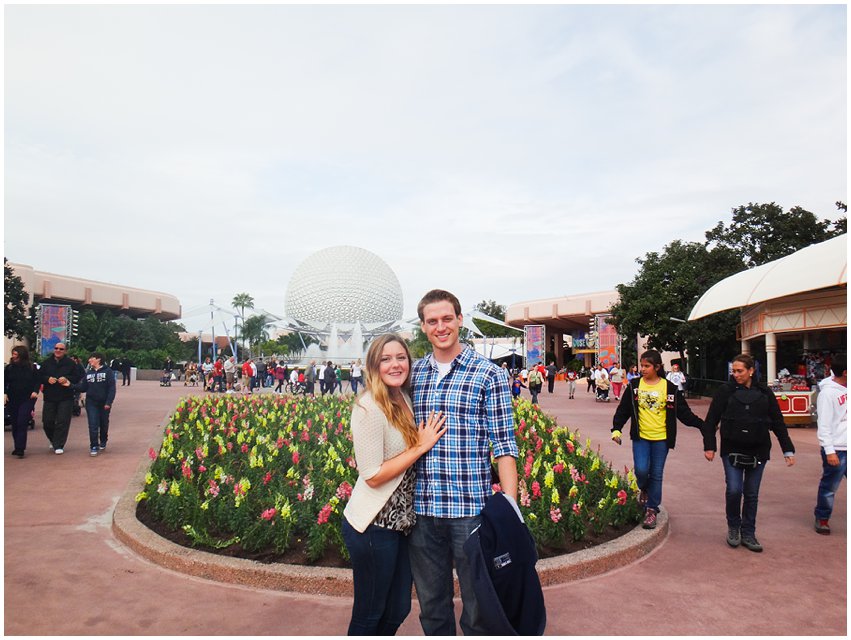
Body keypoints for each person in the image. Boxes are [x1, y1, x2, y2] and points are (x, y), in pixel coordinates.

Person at [409, 289, 519, 635]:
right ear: (423, 327)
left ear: (459, 320)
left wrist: (511, 510)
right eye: (432, 321)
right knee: (431, 605)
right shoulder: (413, 376)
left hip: (469, 509)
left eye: (447, 319)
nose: (440, 327)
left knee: (477, 604)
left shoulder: (489, 375)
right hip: (423, 509)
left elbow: (504, 445)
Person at [342, 334, 447, 635]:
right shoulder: (369, 407)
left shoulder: (403, 396)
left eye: (400, 357)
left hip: (401, 524)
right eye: (385, 359)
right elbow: (371, 474)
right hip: (374, 525)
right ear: (374, 366)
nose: (395, 364)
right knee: (370, 612)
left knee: (399, 607)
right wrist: (420, 447)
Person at [701, 353, 795, 552]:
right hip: (731, 448)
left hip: (758, 449)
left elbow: (778, 421)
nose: (736, 374)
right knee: (734, 490)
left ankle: (749, 532)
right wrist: (709, 446)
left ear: (751, 371)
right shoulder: (725, 391)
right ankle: (733, 527)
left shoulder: (765, 392)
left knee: (751, 493)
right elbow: (710, 421)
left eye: (740, 371)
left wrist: (787, 449)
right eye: (733, 371)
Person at [611, 350, 704, 529]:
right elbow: (624, 410)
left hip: (662, 439)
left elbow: (684, 414)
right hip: (641, 438)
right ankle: (644, 488)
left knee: (657, 474)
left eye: (647, 366)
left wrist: (702, 425)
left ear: (657, 367)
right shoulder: (634, 386)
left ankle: (651, 509)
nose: (643, 369)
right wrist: (616, 429)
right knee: (641, 470)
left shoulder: (669, 388)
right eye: (642, 365)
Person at [813, 354, 846, 535]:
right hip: (838, 448)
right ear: (845, 372)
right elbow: (824, 424)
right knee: (830, 486)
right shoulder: (828, 393)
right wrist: (829, 450)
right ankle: (822, 517)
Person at [39, 342, 82, 454]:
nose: (58, 350)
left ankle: (59, 444)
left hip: (65, 396)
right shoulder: (46, 363)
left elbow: (77, 377)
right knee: (47, 421)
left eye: (61, 349)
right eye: (56, 348)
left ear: (65, 351)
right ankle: (53, 439)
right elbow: (38, 377)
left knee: (63, 421)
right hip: (49, 396)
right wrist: (47, 379)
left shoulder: (71, 364)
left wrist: (67, 379)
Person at [75, 352, 116, 456]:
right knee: (93, 424)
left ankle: (103, 439)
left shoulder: (108, 372)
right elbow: (83, 387)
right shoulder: (88, 373)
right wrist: (70, 385)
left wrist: (109, 402)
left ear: (98, 359)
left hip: (104, 403)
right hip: (91, 403)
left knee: (103, 423)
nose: (89, 360)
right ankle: (94, 445)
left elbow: (112, 388)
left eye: (91, 358)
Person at [4, 345, 41, 458]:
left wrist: (35, 391)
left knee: (22, 421)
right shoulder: (9, 368)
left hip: (28, 398)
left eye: (16, 354)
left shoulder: (32, 368)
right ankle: (17, 446)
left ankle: (21, 448)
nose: (13, 356)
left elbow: (37, 381)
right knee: (14, 422)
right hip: (13, 398)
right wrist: (5, 393)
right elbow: (4, 382)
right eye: (13, 354)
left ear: (21, 355)